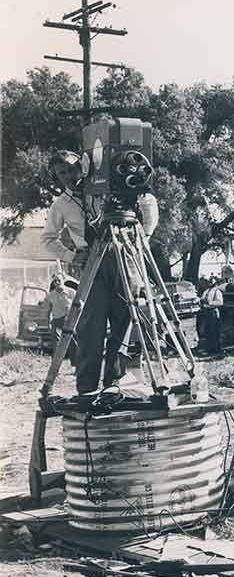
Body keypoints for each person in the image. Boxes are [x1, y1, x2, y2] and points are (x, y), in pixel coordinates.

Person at [41, 149, 159, 394]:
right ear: (56, 177)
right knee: (90, 328)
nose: (69, 176)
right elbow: (48, 239)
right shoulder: (61, 204)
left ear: (82, 166)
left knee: (124, 321)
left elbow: (147, 199)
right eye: (62, 173)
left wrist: (143, 237)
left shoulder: (106, 188)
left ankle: (114, 385)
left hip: (123, 257)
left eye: (72, 169)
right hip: (92, 262)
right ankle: (87, 388)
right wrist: (71, 255)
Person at [47, 275, 74, 361]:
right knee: (55, 342)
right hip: (56, 320)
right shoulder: (51, 295)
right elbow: (48, 308)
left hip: (68, 320)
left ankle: (76, 362)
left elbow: (78, 305)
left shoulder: (71, 292)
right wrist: (48, 321)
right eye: (55, 281)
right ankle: (55, 362)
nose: (57, 283)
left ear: (63, 281)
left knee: (72, 340)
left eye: (59, 280)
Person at [201, 275, 224, 355]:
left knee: (214, 331)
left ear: (215, 282)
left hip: (213, 311)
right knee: (207, 331)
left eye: (212, 281)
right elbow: (202, 299)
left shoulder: (217, 291)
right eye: (209, 281)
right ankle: (209, 348)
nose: (210, 282)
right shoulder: (206, 291)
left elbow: (220, 302)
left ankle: (216, 349)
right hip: (206, 312)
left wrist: (210, 303)